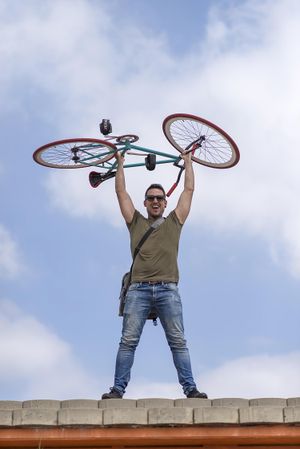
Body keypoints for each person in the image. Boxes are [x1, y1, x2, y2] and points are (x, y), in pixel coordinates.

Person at [102, 150, 207, 399]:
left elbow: (188, 192)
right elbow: (121, 194)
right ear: (146, 203)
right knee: (128, 341)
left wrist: (189, 163)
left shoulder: (174, 221)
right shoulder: (135, 222)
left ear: (165, 202)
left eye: (159, 198)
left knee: (178, 342)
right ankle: (117, 390)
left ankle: (190, 389)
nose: (156, 201)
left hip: (167, 289)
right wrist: (120, 164)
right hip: (137, 289)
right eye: (151, 198)